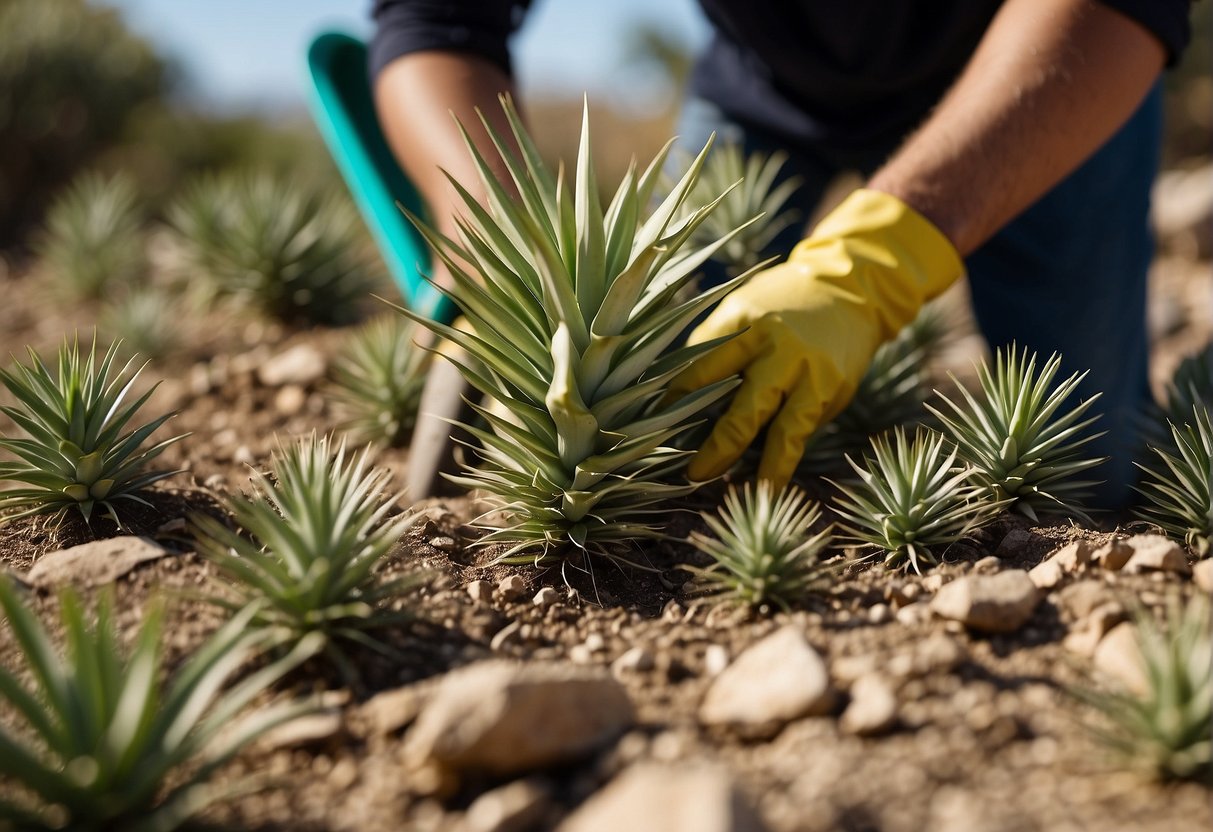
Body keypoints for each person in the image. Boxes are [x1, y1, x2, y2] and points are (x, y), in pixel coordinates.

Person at [368, 0, 1194, 510]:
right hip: (766, 95)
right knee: (653, 383)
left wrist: (877, 260)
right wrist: (488, 223)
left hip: (1038, 80)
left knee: (1090, 476)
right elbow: (438, 16)